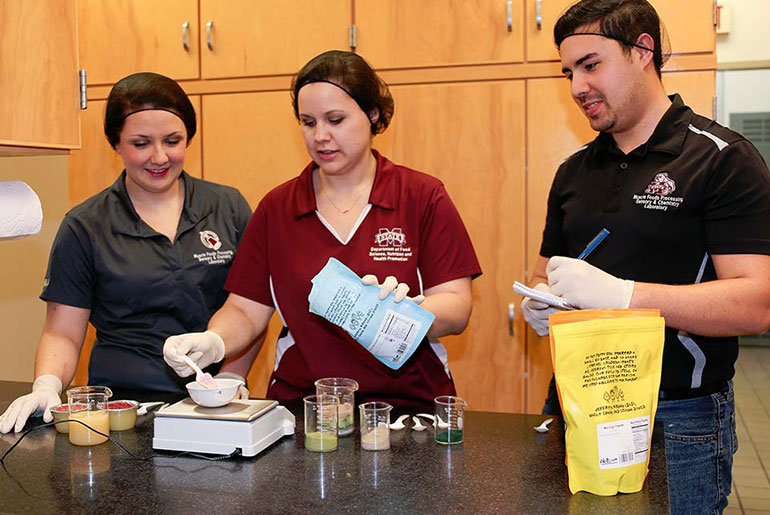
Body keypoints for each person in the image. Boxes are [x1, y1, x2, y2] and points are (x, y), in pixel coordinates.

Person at [520, 0, 770, 512]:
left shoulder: (720, 159)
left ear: (642, 51)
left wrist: (626, 296)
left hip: (677, 419)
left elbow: (756, 303)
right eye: (568, 72)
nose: (576, 87)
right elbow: (547, 272)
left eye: (591, 65)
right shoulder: (573, 172)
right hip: (577, 401)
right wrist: (542, 302)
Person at [163, 50, 481, 412]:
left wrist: (405, 313)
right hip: (306, 408)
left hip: (407, 406)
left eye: (335, 119)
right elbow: (245, 310)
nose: (321, 136)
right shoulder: (278, 208)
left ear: (372, 114)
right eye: (308, 122)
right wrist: (214, 341)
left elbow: (457, 306)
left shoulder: (421, 197)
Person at [0, 72, 255, 434]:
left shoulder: (227, 207)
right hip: (122, 413)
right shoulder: (85, 225)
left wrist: (232, 376)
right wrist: (47, 385)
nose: (159, 156)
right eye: (140, 143)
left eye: (173, 140)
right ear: (115, 144)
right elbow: (63, 333)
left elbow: (251, 308)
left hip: (215, 405)